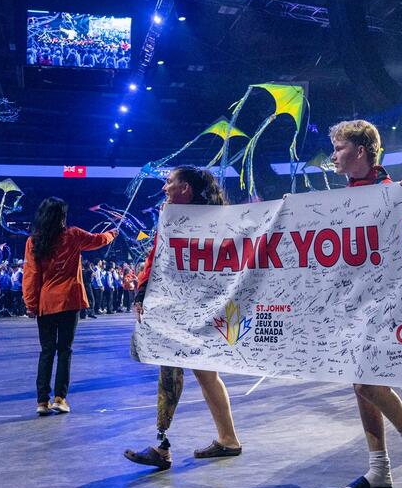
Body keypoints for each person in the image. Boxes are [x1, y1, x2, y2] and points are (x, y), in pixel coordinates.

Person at [328, 119, 402, 488]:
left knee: (364, 381)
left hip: (388, 304)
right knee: (360, 386)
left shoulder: (393, 192)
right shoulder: (344, 195)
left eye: (340, 148)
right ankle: (378, 470)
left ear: (360, 151)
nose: (334, 155)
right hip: (354, 303)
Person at [124, 166, 244, 470]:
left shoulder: (219, 223)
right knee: (181, 371)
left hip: (203, 308)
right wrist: (141, 293)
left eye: (169, 182)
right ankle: (202, 441)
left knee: (202, 373)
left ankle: (219, 440)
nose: (165, 188)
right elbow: (156, 258)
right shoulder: (170, 218)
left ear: (185, 188)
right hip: (176, 307)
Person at [23, 198, 117, 416]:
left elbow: (31, 276)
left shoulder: (33, 241)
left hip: (46, 303)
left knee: (46, 351)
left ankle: (41, 402)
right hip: (69, 301)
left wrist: (30, 304)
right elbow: (98, 240)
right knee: (64, 350)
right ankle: (60, 398)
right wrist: (112, 234)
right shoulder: (73, 235)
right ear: (62, 216)